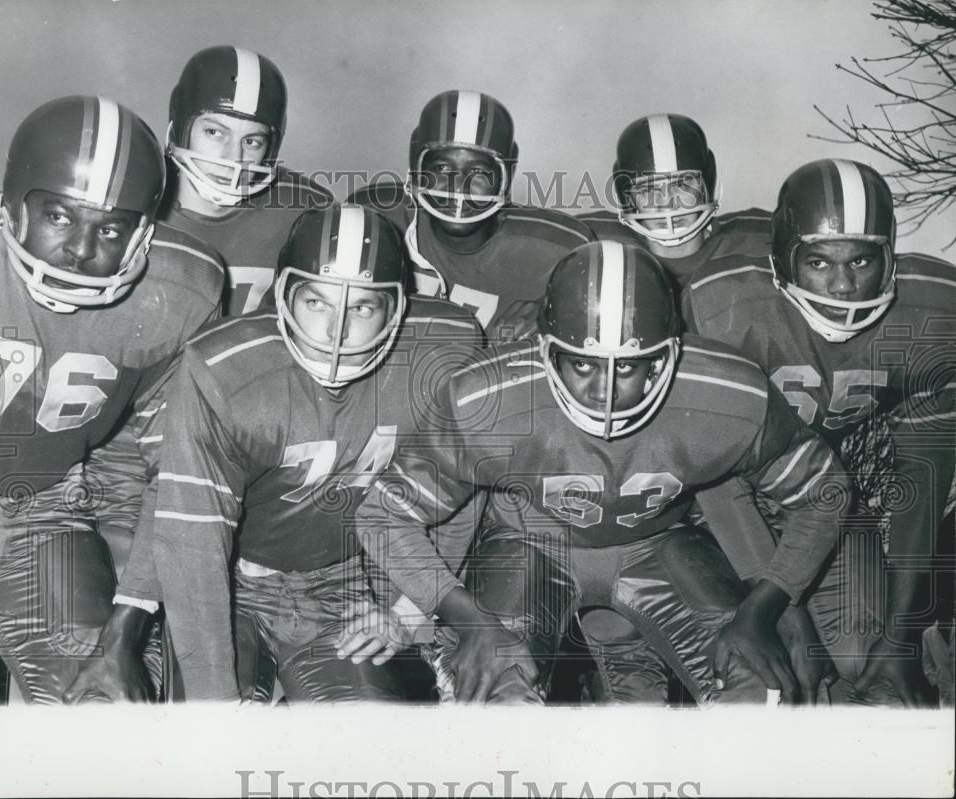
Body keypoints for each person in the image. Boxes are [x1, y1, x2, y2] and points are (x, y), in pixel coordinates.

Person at [348, 240, 847, 704]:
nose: (602, 391)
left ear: (665, 357)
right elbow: (383, 515)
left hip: (659, 544)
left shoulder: (728, 393)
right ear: (545, 351)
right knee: (492, 696)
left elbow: (824, 491)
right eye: (582, 365)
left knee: (760, 693)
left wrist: (765, 607)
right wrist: (468, 619)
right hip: (531, 543)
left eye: (627, 366)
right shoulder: (490, 399)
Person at [66, 205, 484, 702]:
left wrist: (410, 611)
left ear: (397, 308)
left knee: (368, 756)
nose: (336, 331)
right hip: (229, 577)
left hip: (340, 583)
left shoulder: (444, 352)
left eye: (364, 307)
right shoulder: (228, 365)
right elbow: (192, 534)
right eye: (317, 301)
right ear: (283, 293)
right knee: (212, 746)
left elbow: (464, 491)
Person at [0, 95, 223, 703]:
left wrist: (124, 634)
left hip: (40, 512)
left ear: (143, 234)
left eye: (108, 228)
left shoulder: (182, 290)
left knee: (99, 713)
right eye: (58, 217)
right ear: (11, 208)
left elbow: (179, 472)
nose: (79, 250)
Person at [683, 158, 955, 706]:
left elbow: (921, 482)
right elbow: (717, 479)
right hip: (713, 512)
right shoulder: (728, 307)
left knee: (876, 672)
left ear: (890, 257)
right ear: (783, 261)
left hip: (827, 501)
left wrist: (898, 637)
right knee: (768, 682)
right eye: (817, 261)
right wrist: (781, 607)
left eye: (861, 259)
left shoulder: (934, 310)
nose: (842, 284)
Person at [348, 89, 592, 342]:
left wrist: (557, 310)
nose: (458, 187)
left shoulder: (556, 248)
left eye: (479, 172)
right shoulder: (377, 218)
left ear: (506, 174)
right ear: (416, 166)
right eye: (441, 168)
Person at [162, 44, 333, 316]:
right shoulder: (136, 200)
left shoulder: (303, 211)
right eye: (215, 133)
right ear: (181, 127)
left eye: (251, 141)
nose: (233, 158)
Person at [578, 113, 769, 294]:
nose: (667, 203)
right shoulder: (595, 243)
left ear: (705, 186)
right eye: (648, 189)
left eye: (682, 185)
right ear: (629, 197)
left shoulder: (760, 238)